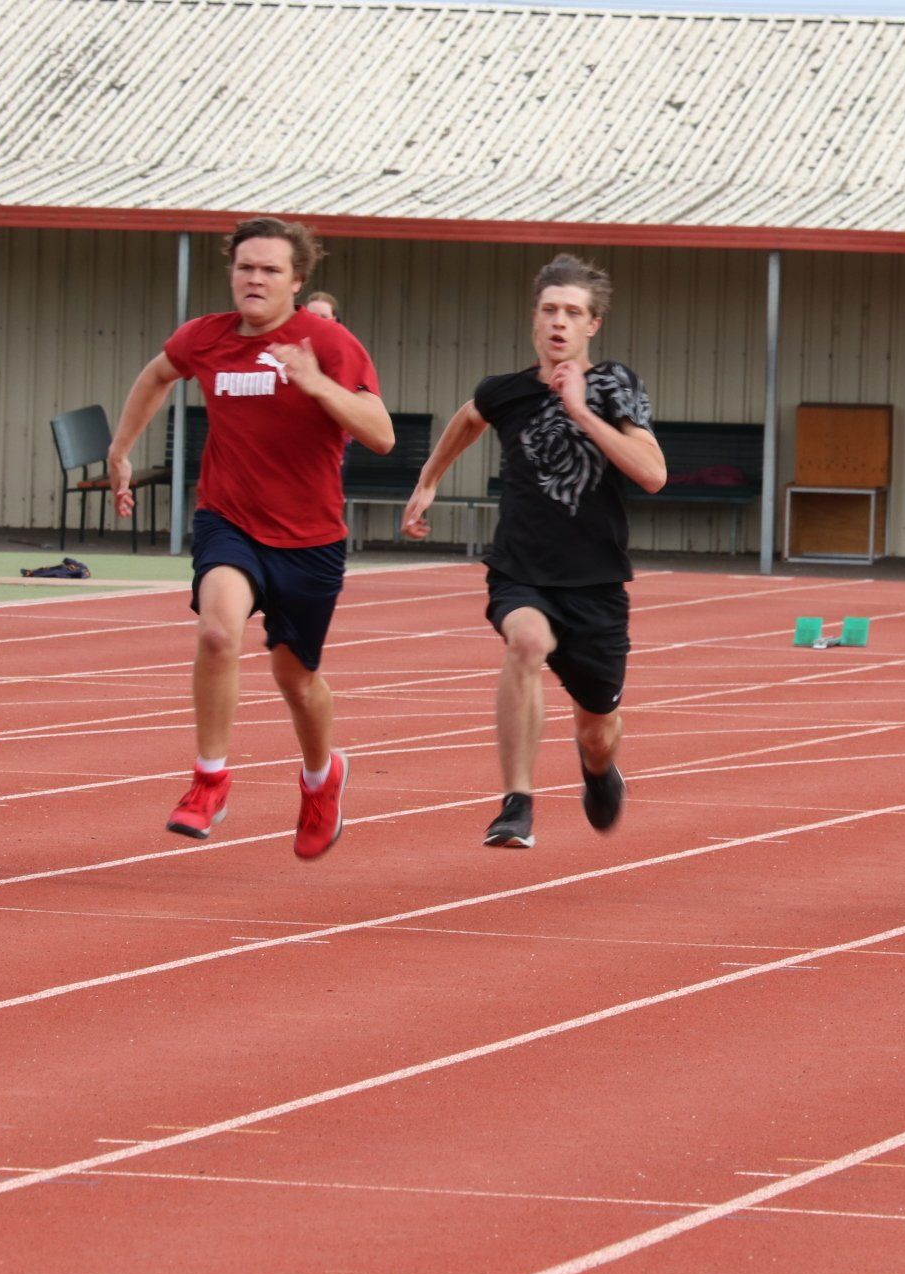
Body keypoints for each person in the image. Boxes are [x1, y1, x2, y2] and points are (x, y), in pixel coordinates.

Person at [108, 217, 394, 859]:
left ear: (297, 281)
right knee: (218, 631)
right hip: (229, 520)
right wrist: (121, 450)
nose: (255, 279)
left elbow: (380, 434)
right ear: (231, 273)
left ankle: (321, 777)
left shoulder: (328, 342)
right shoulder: (204, 338)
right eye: (246, 268)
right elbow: (156, 376)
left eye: (270, 270)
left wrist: (315, 383)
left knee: (297, 681)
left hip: (309, 537)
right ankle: (210, 779)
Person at [401, 254, 665, 849]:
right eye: (549, 310)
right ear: (534, 319)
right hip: (521, 570)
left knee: (597, 729)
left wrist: (579, 411)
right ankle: (516, 803)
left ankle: (597, 767)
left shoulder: (614, 384)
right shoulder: (507, 392)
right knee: (525, 642)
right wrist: (429, 480)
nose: (559, 321)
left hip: (595, 584)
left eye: (572, 312)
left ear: (592, 324)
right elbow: (470, 418)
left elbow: (652, 474)